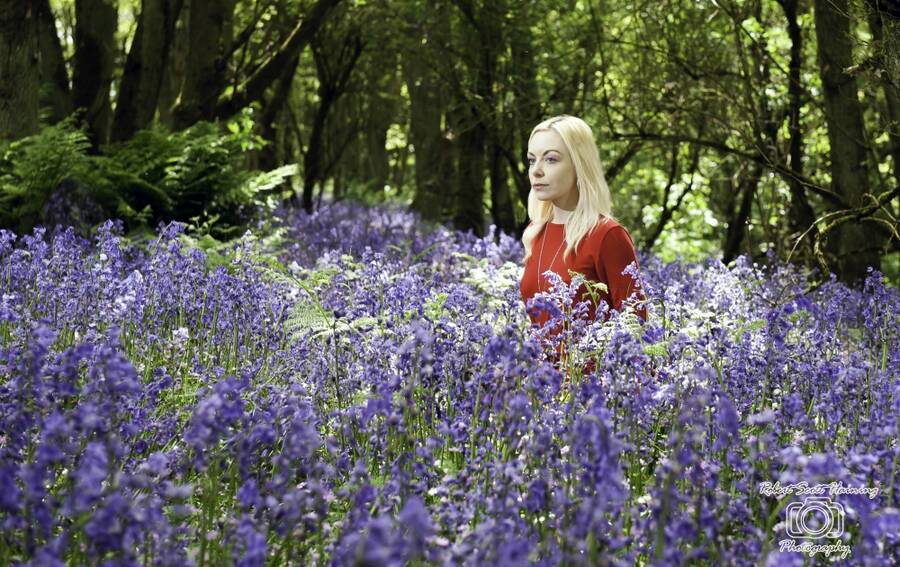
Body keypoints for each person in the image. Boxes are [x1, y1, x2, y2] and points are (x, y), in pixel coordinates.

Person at [518, 115, 647, 361]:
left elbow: (635, 325)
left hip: (591, 392)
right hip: (540, 389)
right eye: (532, 160)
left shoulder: (607, 234)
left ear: (579, 165)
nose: (537, 171)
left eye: (551, 159)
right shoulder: (535, 233)